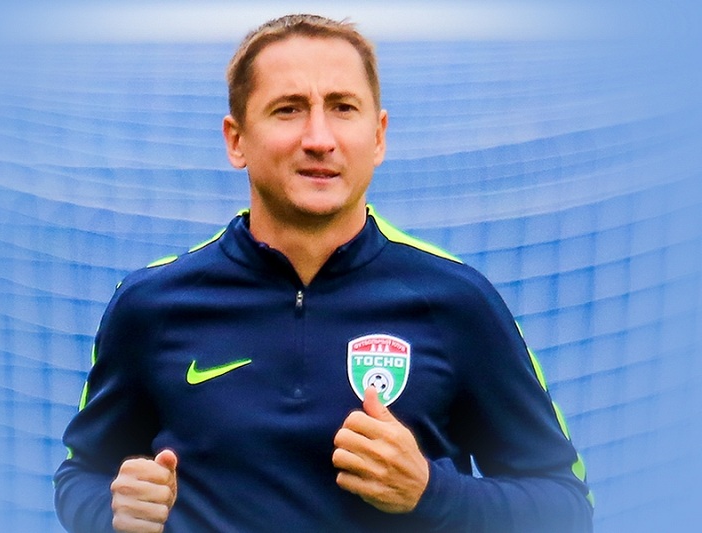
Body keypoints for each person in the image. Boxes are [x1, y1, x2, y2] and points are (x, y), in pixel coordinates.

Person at [54, 14, 594, 533]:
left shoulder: (456, 300)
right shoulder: (152, 303)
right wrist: (112, 512)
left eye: (342, 107)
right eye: (288, 109)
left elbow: (567, 505)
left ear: (378, 136)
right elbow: (82, 475)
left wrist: (432, 493)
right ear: (236, 140)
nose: (319, 137)